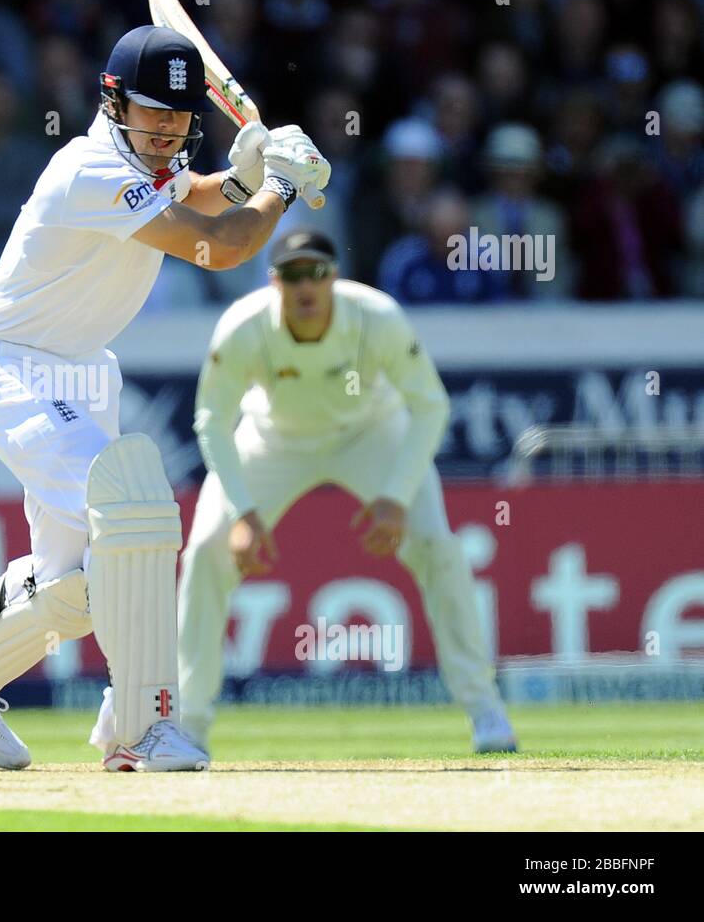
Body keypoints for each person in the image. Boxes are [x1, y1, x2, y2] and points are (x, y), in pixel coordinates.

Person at [0, 25, 330, 771]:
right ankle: (140, 728)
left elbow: (197, 201)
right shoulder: (90, 169)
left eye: (177, 116)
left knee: (75, 578)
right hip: (5, 366)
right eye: (151, 112)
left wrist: (242, 177)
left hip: (79, 373)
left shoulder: (144, 164)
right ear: (111, 100)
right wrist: (280, 187)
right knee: (133, 518)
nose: (165, 129)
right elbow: (217, 247)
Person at [176, 230, 517, 755]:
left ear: (333, 277)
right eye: (292, 274)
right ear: (275, 282)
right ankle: (189, 725)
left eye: (315, 273)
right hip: (274, 439)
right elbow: (212, 421)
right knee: (205, 552)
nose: (304, 286)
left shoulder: (376, 316)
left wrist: (395, 498)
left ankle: (486, 711)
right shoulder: (242, 327)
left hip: (372, 434)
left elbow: (430, 406)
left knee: (438, 549)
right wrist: (243, 513)